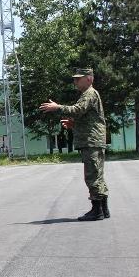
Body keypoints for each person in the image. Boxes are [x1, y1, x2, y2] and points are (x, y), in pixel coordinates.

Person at [40, 67, 109, 221]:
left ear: (89, 79)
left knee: (92, 176)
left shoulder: (89, 93)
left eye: (79, 78)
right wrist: (73, 125)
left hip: (91, 141)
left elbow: (78, 109)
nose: (75, 81)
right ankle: (103, 209)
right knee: (97, 175)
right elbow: (86, 116)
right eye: (75, 78)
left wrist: (57, 107)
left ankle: (97, 211)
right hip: (92, 140)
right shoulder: (88, 94)